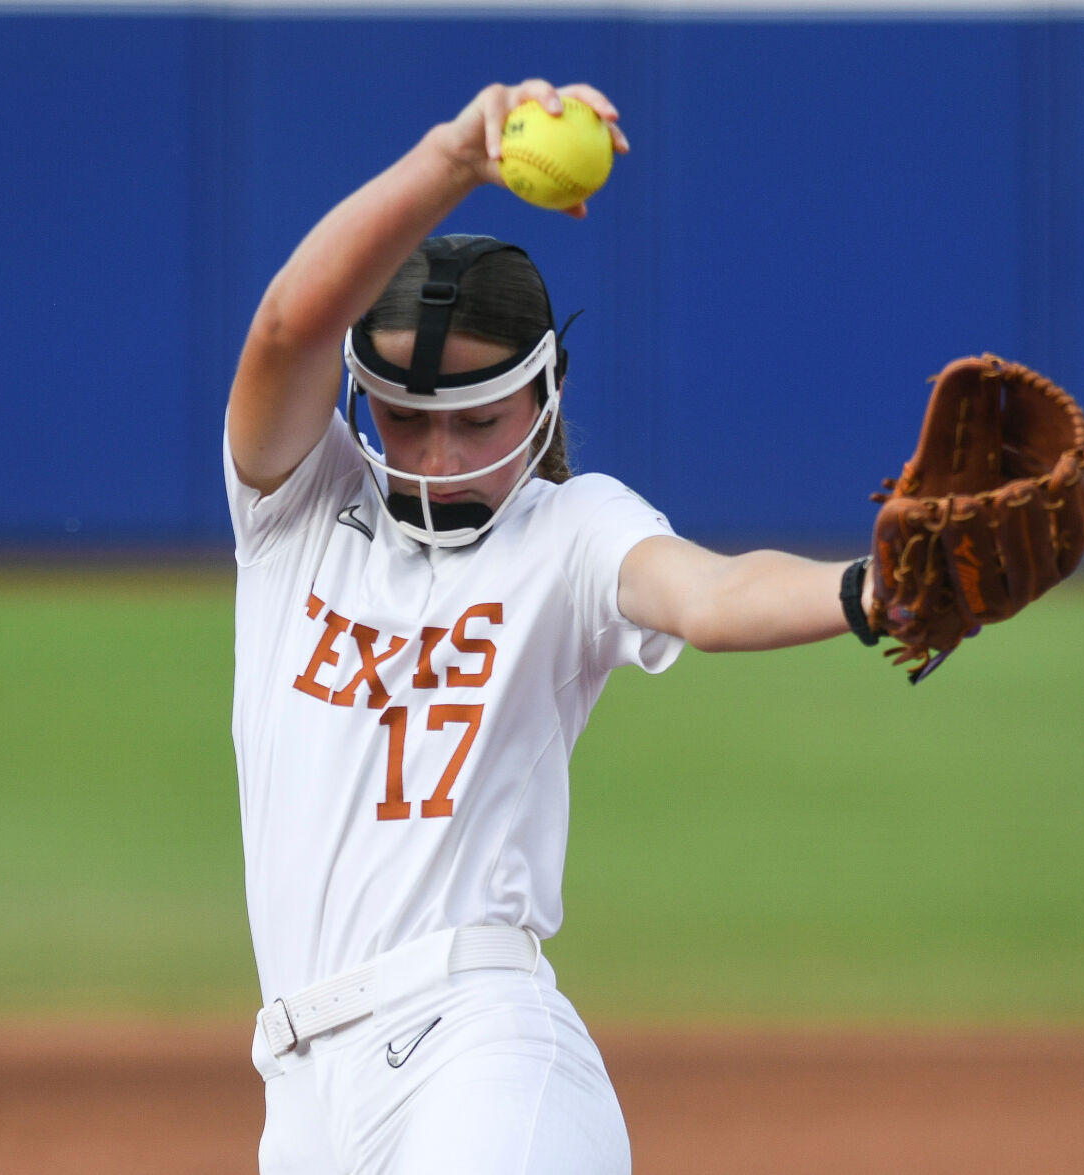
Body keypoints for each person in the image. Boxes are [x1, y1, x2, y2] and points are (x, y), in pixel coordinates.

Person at [224, 79, 877, 1175]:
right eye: (403, 419)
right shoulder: (294, 509)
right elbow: (293, 319)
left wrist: (875, 588)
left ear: (543, 400)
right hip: (300, 1098)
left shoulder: (568, 529)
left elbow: (710, 597)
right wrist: (449, 157)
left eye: (475, 420)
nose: (435, 456)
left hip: (479, 1051)